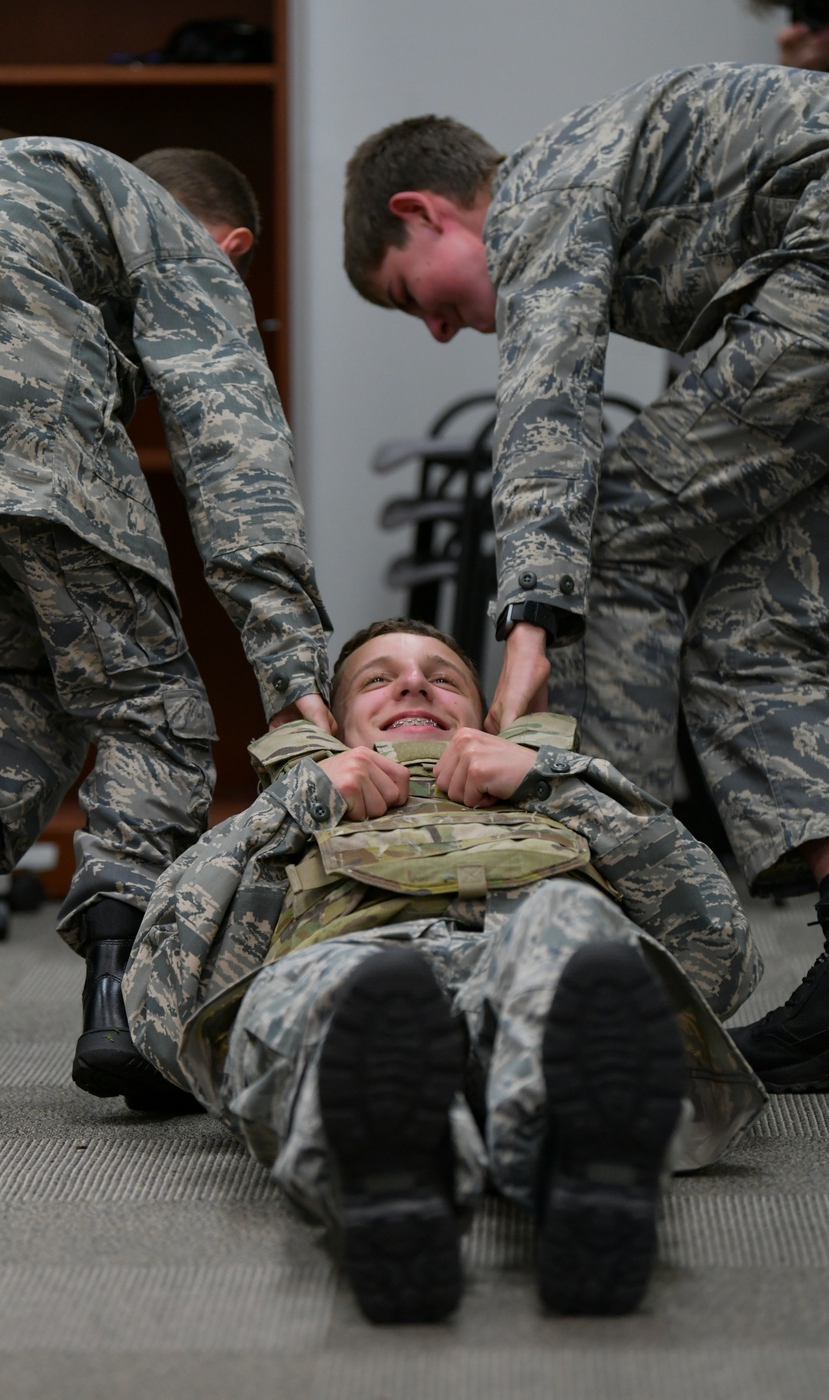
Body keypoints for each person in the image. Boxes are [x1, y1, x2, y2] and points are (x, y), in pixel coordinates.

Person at [341, 65, 829, 1092]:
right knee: (754, 629)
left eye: (408, 295)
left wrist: (528, 631)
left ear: (422, 212)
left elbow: (547, 405)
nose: (435, 330)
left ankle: (610, 933)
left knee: (610, 540)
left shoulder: (544, 184)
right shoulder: (606, 181)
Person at [123, 619, 765, 1322]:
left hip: (531, 959)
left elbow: (718, 951)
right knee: (341, 991)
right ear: (334, 725)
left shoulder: (559, 788)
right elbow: (161, 997)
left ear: (487, 716)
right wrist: (296, 802)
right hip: (361, 964)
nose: (413, 683)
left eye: (443, 675)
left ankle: (584, 1169)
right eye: (378, 678)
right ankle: (399, 1187)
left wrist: (552, 783)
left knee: (580, 940)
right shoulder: (297, 808)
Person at [0, 137, 333, 1108]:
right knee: (150, 705)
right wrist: (296, 672)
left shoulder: (11, 179)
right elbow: (232, 444)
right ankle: (124, 1000)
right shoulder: (177, 237)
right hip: (24, 429)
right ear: (230, 245)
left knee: (9, 686)